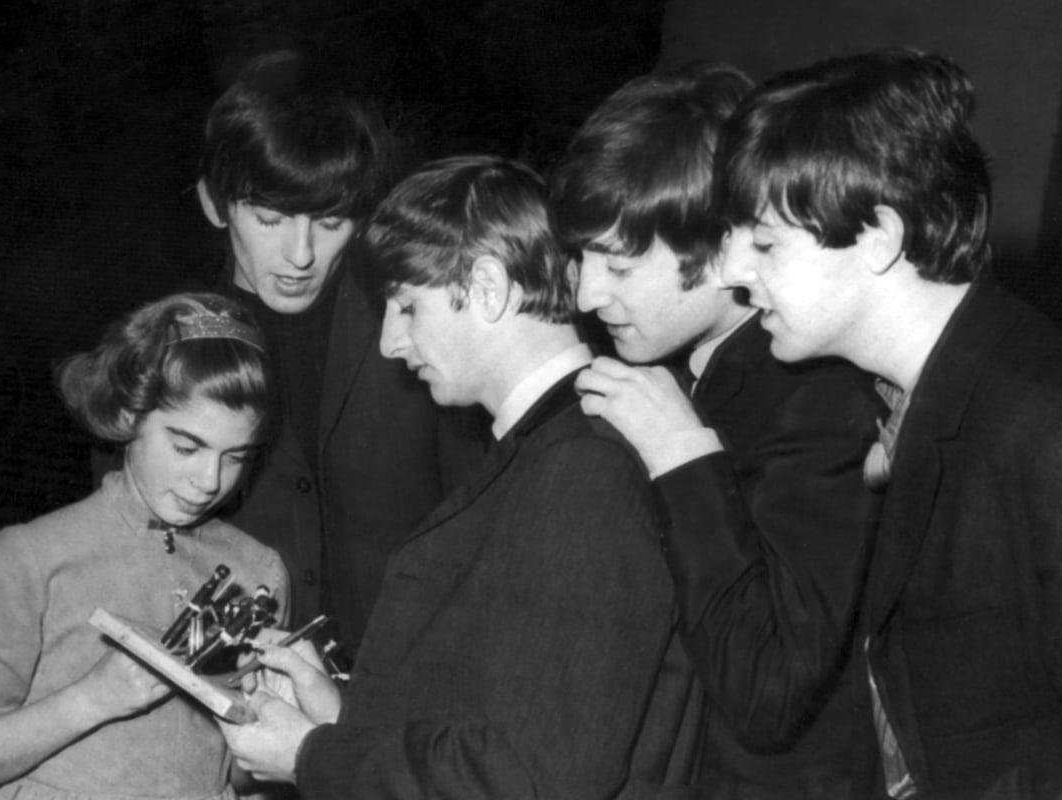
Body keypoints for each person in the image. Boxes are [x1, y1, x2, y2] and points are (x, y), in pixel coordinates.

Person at [717, 47, 1062, 797]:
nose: (733, 271)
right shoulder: (931, 395)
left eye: (764, 241)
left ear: (877, 239)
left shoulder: (1056, 437)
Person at [220, 155, 702, 798]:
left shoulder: (582, 468)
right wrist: (342, 714)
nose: (391, 342)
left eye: (407, 307)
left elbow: (538, 774)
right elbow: (491, 712)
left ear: (487, 287)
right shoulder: (548, 452)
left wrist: (313, 758)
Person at [549, 63, 884, 797]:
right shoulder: (685, 374)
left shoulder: (818, 399)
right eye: (579, 257)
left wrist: (680, 457)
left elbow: (769, 690)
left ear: (720, 246)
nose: (584, 292)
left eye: (617, 261)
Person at [191, 49, 486, 646]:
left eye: (329, 222)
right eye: (271, 220)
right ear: (215, 206)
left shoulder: (418, 321)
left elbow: (483, 510)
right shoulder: (169, 344)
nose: (301, 256)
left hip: (415, 663)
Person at [0, 292, 289, 799]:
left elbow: (242, 780)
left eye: (236, 457)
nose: (209, 481)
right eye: (186, 447)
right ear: (127, 416)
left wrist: (270, 736)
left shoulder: (258, 570)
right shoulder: (32, 557)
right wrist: (92, 699)